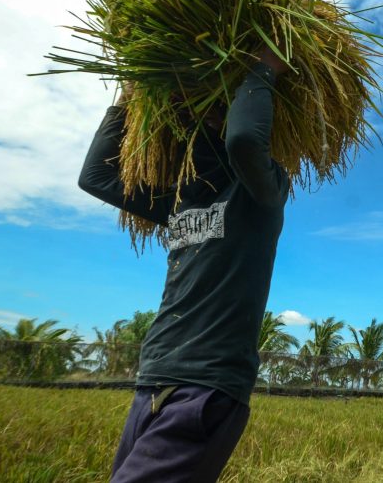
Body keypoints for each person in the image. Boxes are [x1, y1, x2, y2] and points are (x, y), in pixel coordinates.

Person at [80, 48, 290, 483]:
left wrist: (264, 65)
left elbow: (244, 141)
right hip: (154, 377)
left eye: (219, 115)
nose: (206, 126)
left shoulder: (258, 196)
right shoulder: (180, 201)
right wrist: (128, 95)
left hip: (208, 385)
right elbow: (96, 178)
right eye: (197, 121)